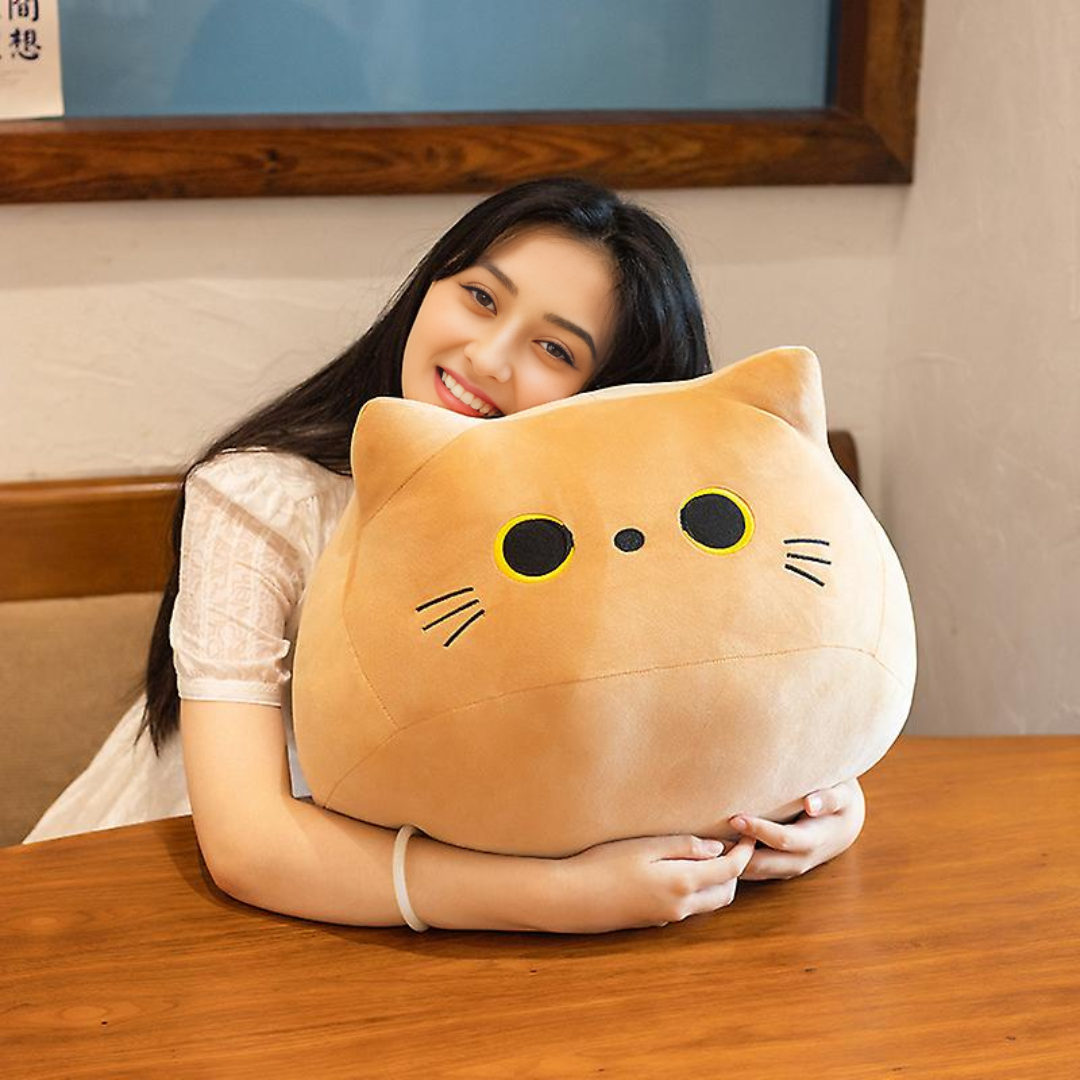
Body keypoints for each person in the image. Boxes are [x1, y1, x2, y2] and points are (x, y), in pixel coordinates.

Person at [23, 176, 865, 933]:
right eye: (480, 297)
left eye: (555, 349)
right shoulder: (265, 499)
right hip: (180, 910)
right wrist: (561, 897)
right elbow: (249, 846)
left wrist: (820, 804)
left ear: (611, 396)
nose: (487, 358)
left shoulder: (617, 537)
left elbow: (686, 712)